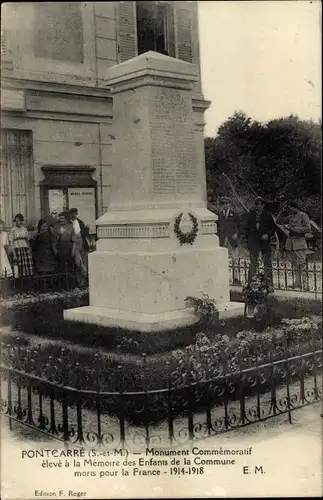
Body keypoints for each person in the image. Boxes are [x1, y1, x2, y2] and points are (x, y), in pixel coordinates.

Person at [245, 197, 276, 292]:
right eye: (257, 204)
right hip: (254, 242)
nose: (259, 206)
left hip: (264, 242)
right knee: (253, 262)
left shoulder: (268, 215)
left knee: (267, 263)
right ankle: (251, 284)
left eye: (261, 204)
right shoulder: (250, 215)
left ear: (263, 205)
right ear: (255, 205)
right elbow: (246, 228)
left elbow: (273, 228)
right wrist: (250, 238)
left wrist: (268, 235)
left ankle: (269, 285)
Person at [284, 201, 311, 289]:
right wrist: (282, 210)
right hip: (291, 243)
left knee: (302, 264)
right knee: (295, 265)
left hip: (299, 243)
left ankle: (305, 284)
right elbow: (278, 221)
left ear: (295, 207)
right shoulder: (290, 216)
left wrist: (296, 229)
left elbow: (308, 228)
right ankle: (297, 283)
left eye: (290, 208)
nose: (289, 210)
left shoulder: (303, 215)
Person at [217, 196, 241, 283]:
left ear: (230, 204)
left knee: (234, 258)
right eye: (223, 204)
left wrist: (236, 233)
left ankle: (236, 278)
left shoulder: (234, 214)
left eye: (226, 203)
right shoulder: (218, 215)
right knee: (223, 258)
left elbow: (240, 226)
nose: (225, 205)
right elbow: (217, 227)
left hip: (232, 239)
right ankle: (223, 277)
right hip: (223, 239)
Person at [68, 208, 89, 284]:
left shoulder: (80, 222)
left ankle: (83, 282)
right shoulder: (69, 223)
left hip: (82, 243)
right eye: (72, 214)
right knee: (78, 263)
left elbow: (84, 234)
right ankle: (86, 275)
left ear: (76, 214)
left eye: (75, 213)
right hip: (74, 244)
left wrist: (86, 230)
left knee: (83, 262)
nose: (73, 215)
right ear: (70, 214)